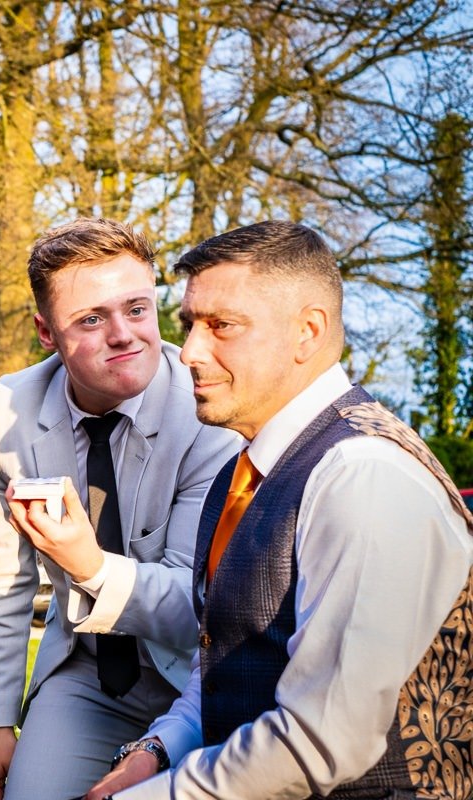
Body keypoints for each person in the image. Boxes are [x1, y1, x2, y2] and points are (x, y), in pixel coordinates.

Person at [86, 221, 473, 800]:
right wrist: (156, 749)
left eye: (222, 326)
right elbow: (225, 661)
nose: (189, 351)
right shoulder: (241, 471)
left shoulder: (362, 475)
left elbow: (324, 737)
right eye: (189, 324)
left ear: (307, 332)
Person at [0, 218, 238, 800]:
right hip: (86, 672)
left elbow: (199, 611)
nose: (124, 335)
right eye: (90, 319)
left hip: (196, 674)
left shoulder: (209, 410)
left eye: (137, 308)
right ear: (45, 332)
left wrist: (89, 567)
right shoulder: (12, 406)